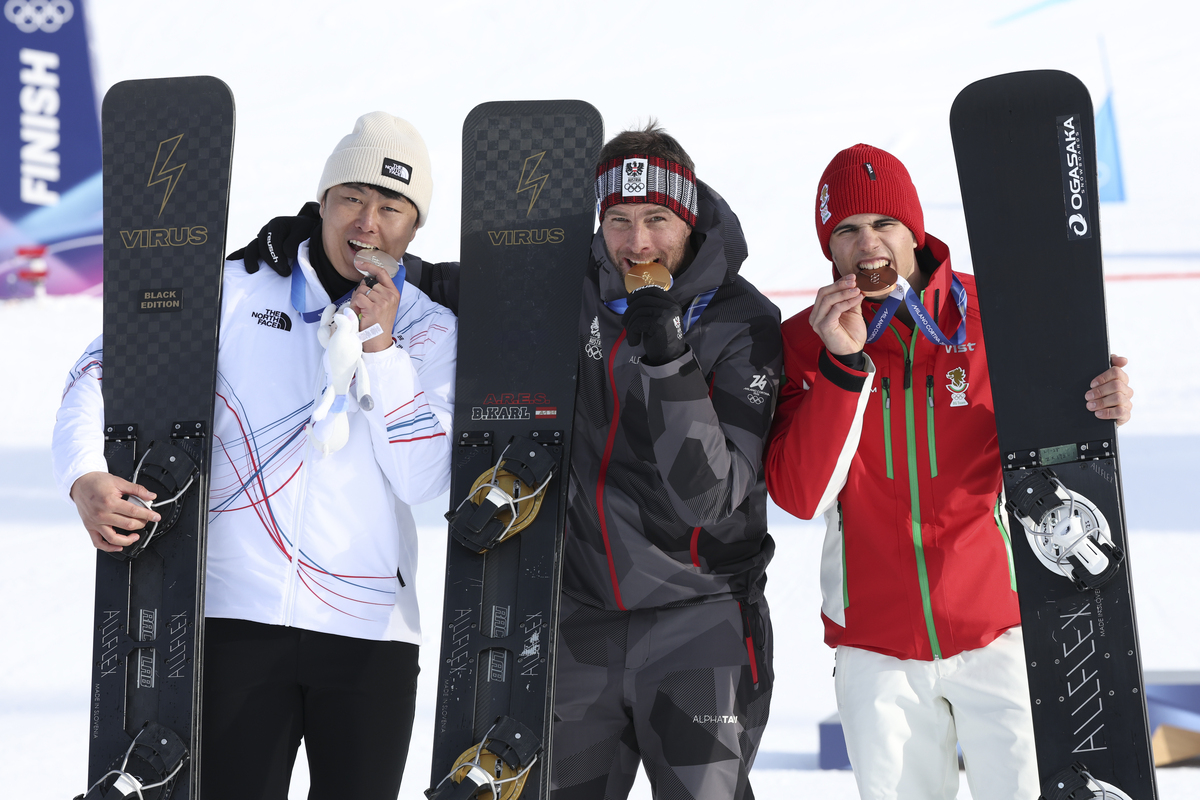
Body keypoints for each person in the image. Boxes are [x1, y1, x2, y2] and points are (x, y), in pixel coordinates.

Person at [237, 121, 783, 800]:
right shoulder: (562, 286)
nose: (637, 242)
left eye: (655, 220)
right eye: (617, 219)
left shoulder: (741, 320)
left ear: (688, 219)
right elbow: (431, 284)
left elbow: (709, 494)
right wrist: (318, 248)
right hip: (578, 619)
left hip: (698, 622)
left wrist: (668, 358)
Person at [52, 112, 458, 800]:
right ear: (322, 203)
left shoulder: (431, 327)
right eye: (351, 199)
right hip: (235, 621)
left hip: (369, 635)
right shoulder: (233, 290)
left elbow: (420, 477)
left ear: (414, 228)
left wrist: (383, 349)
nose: (368, 223)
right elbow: (101, 367)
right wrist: (83, 473)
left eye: (391, 207)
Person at [763, 143, 1133, 800]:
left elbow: (1067, 431)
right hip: (875, 651)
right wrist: (843, 366)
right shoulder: (802, 345)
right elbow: (800, 494)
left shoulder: (997, 318)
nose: (866, 244)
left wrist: (1105, 400)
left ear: (915, 229)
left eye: (883, 224)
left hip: (1003, 633)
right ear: (830, 250)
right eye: (845, 231)